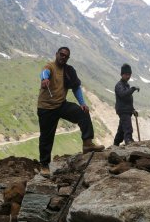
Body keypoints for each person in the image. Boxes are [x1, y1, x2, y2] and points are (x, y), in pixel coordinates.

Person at [37, 47, 104, 176]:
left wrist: (82, 103)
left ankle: (87, 143)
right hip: (46, 108)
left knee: (83, 113)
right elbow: (45, 72)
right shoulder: (50, 66)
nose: (63, 57)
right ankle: (44, 165)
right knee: (46, 137)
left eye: (66, 56)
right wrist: (44, 79)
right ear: (56, 54)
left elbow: (76, 88)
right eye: (61, 54)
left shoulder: (69, 71)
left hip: (61, 105)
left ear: (68, 58)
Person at [113, 64, 139, 146]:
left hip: (127, 110)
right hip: (123, 110)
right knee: (128, 127)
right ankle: (129, 140)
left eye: (129, 74)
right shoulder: (119, 85)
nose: (128, 76)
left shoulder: (126, 85)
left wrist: (133, 110)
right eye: (126, 74)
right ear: (122, 74)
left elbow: (128, 100)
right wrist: (132, 89)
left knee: (121, 129)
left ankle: (116, 143)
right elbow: (123, 95)